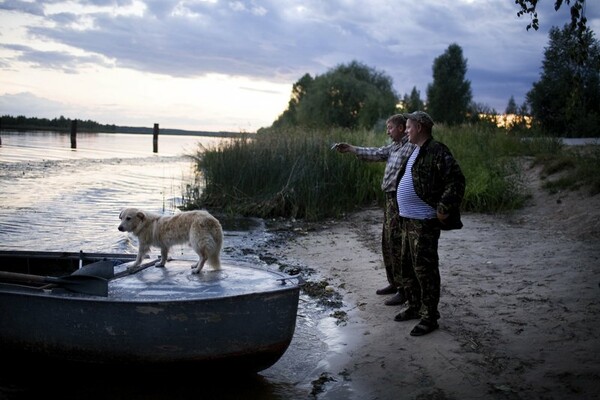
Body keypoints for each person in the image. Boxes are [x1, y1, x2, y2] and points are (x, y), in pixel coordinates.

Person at [393, 111, 465, 336]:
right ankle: (414, 307)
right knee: (407, 267)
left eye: (408, 127)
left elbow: (456, 180)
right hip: (407, 219)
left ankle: (429, 317)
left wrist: (444, 208)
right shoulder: (415, 150)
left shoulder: (437, 150)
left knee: (425, 270)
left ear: (420, 127)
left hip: (424, 222)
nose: (406, 130)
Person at [333, 114, 416, 306]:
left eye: (390, 127)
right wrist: (352, 149)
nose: (387, 131)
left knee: (397, 243)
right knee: (387, 241)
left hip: (399, 200)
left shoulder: (411, 146)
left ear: (402, 128)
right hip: (388, 200)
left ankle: (405, 290)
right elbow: (376, 153)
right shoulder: (394, 147)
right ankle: (394, 283)